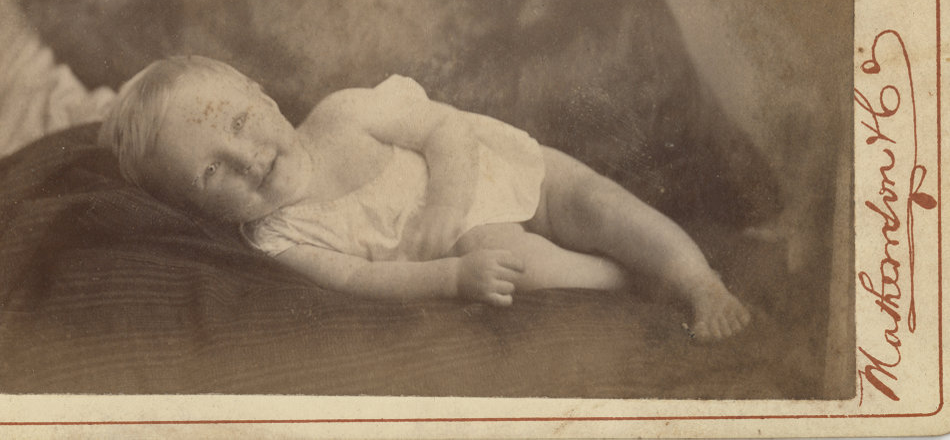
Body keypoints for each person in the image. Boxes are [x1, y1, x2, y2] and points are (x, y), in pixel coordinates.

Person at [99, 55, 751, 341]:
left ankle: (698, 279)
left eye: (241, 122)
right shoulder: (277, 236)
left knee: (596, 202)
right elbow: (358, 280)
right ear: (195, 209)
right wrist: (451, 277)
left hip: (488, 171)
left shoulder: (343, 114)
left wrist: (446, 200)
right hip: (466, 244)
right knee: (522, 264)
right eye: (213, 171)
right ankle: (632, 282)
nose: (248, 157)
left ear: (261, 95)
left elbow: (445, 129)